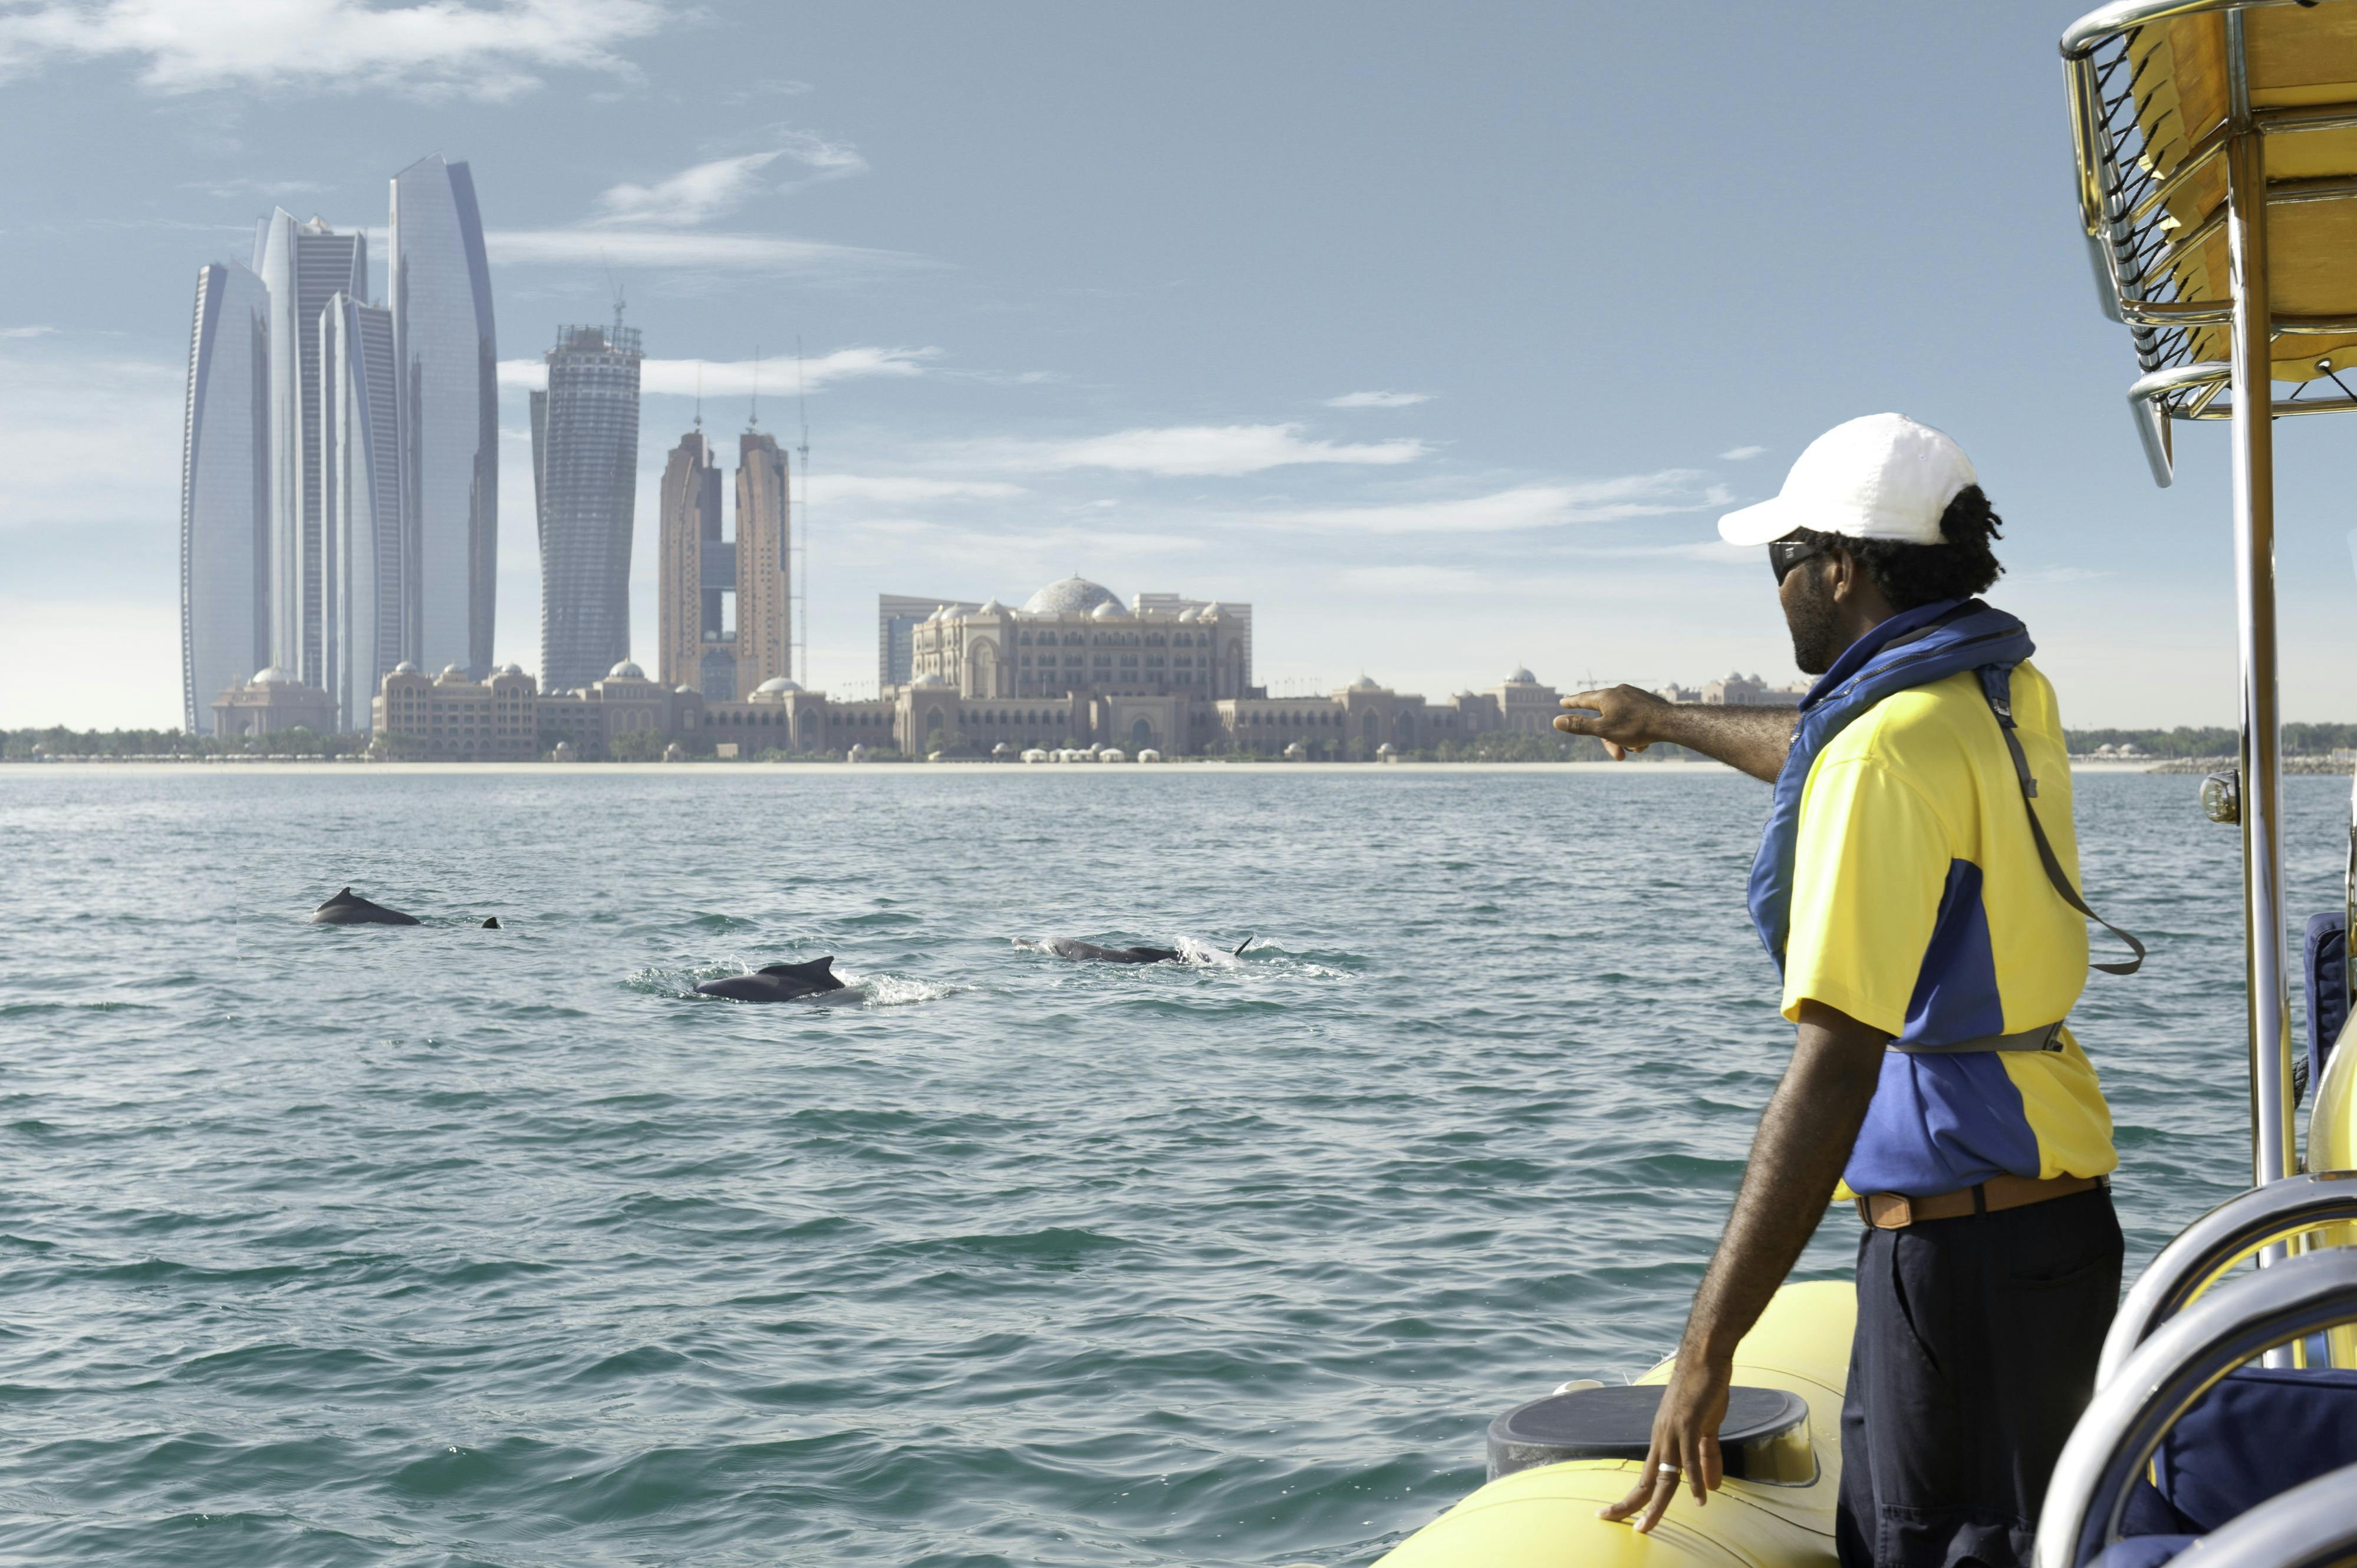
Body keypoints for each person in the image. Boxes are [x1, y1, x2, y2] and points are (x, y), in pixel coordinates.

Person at [1556, 413, 2127, 1568]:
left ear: (1837, 567)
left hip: (1959, 1266)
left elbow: (1834, 1068)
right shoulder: (2004, 692)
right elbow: (1835, 746)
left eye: (1781, 564)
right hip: (2054, 1225)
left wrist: (1709, 1344)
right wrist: (1663, 720)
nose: (1775, 593)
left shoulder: (1884, 756)